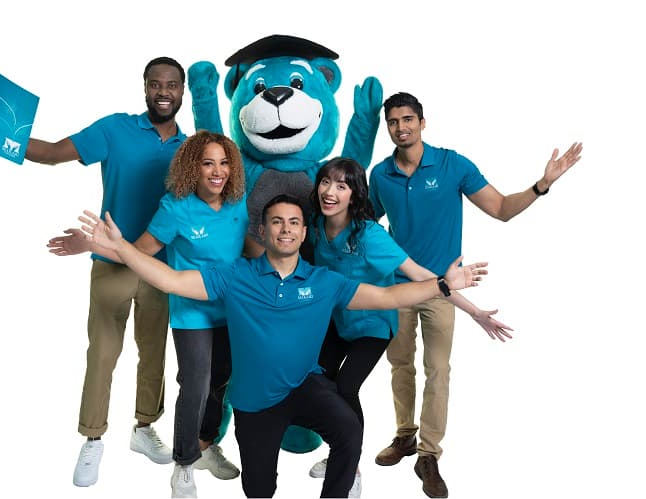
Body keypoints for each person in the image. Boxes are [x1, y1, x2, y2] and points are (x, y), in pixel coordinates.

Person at [81, 193, 489, 498]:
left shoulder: (323, 281)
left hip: (304, 387)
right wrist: (122, 249)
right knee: (260, 489)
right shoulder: (235, 276)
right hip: (255, 405)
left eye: (294, 222)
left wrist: (441, 285)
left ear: (304, 232)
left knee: (348, 430)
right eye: (277, 222)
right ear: (263, 231)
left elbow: (387, 298)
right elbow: (170, 280)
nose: (286, 228)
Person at [0, 56, 188, 487]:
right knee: (102, 355)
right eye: (156, 84)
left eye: (172, 85)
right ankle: (93, 439)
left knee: (154, 354)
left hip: (163, 269)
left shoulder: (191, 149)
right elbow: (50, 154)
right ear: (144, 88)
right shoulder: (115, 130)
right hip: (111, 264)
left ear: (182, 91)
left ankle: (144, 428)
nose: (164, 91)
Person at [368, 92, 583, 498]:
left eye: (408, 119)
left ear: (423, 122)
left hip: (443, 289)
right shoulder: (380, 175)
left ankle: (428, 455)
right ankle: (405, 435)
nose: (401, 127)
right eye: (393, 121)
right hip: (396, 286)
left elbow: (501, 208)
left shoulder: (452, 165)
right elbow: (366, 227)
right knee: (400, 365)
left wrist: (541, 185)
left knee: (438, 370)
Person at [304, 157, 513, 495]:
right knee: (318, 380)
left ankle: (349, 463)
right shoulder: (315, 224)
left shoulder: (370, 236)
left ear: (355, 195)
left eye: (341, 186)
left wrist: (473, 310)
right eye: (326, 182)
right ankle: (339, 450)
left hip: (374, 323)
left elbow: (420, 275)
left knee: (346, 387)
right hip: (340, 320)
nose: (330, 191)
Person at [74, 130, 246, 497]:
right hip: (191, 314)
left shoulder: (239, 203)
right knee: (196, 384)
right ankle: (183, 465)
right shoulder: (175, 207)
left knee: (223, 382)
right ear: (191, 168)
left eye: (224, 162)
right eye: (207, 163)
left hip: (232, 311)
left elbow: (252, 251)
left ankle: (205, 445)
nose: (217, 171)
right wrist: (99, 244)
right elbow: (141, 252)